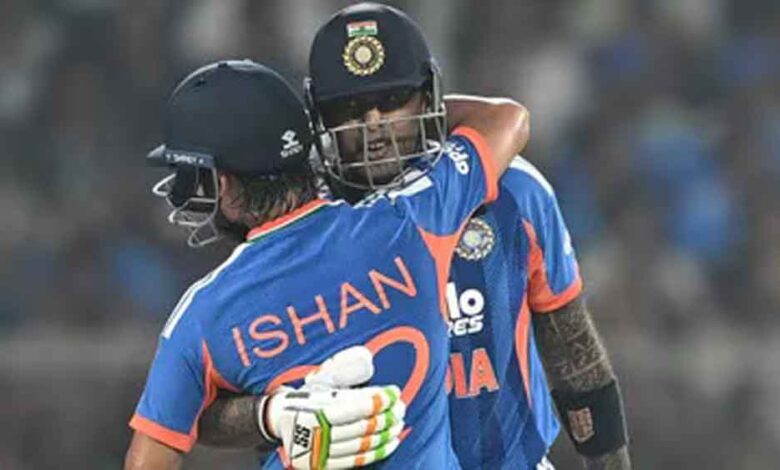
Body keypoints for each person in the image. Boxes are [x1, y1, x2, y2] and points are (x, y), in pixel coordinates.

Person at [199, 4, 630, 470]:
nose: (374, 124)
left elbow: (573, 352)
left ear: (429, 99)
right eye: (350, 108)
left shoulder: (513, 191)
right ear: (318, 116)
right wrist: (275, 414)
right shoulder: (295, 223)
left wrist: (609, 463)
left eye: (393, 100)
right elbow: (205, 409)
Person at [123, 58, 530, 470]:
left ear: (223, 184)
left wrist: (271, 415)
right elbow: (507, 119)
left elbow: (146, 463)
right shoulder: (410, 222)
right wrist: (400, 116)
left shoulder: (202, 314)